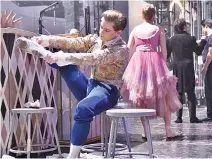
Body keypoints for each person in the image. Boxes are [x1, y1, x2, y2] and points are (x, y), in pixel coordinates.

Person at [17, 10, 128, 158]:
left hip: (108, 90)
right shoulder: (97, 40)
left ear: (118, 32)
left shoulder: (121, 49)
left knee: (83, 108)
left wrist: (62, 56)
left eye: (106, 30)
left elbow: (93, 58)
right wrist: (47, 40)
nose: (102, 32)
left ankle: (73, 156)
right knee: (67, 67)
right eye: (101, 27)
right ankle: (43, 52)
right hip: (91, 86)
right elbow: (74, 42)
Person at [121, 4, 182, 140]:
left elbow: (128, 49)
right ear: (154, 15)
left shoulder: (135, 30)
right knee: (165, 96)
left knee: (141, 97)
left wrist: (132, 65)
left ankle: (145, 131)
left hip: (139, 63)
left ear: (142, 15)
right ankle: (168, 131)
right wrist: (161, 63)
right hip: (155, 61)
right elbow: (164, 52)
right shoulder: (158, 29)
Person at [166, 19, 206, 123]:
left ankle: (179, 117)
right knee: (190, 92)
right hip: (188, 67)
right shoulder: (190, 38)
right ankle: (192, 117)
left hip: (177, 67)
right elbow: (198, 51)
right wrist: (203, 41)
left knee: (179, 92)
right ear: (184, 27)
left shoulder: (171, 39)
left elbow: (166, 55)